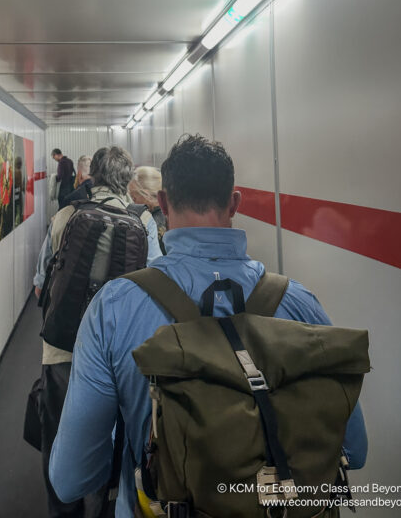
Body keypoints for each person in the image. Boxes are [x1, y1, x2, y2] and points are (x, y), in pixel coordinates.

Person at [49, 134, 368, 517]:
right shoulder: (299, 303)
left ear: (163, 204)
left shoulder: (114, 308)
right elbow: (355, 449)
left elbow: (71, 478)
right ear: (235, 202)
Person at [39, 146, 162, 518]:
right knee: (123, 439)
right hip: (122, 356)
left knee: (61, 438)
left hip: (63, 349)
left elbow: (45, 273)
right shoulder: (143, 222)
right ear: (127, 181)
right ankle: (109, 503)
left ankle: (65, 508)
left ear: (92, 178)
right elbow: (156, 282)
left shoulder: (66, 215)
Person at [129, 166, 167, 254]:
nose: (132, 202)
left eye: (133, 197)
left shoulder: (149, 223)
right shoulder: (172, 214)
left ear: (146, 195)